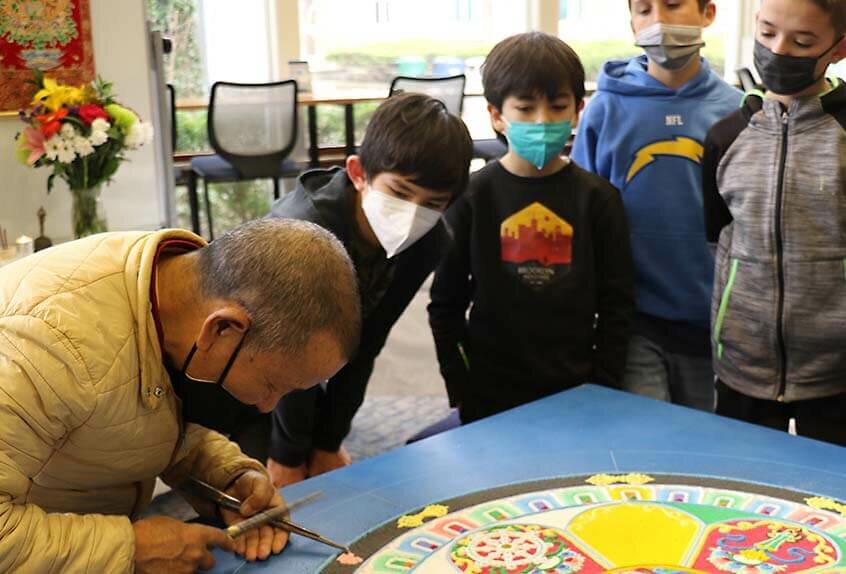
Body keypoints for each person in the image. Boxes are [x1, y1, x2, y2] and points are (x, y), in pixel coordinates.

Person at [0, 218, 360, 573]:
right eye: (272, 384)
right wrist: (130, 549)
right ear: (222, 328)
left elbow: (134, 413)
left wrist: (227, 479)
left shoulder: (178, 292)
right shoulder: (43, 346)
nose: (268, 405)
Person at [257, 92, 473, 487]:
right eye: (400, 193)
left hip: (306, 358)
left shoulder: (430, 241)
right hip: (249, 356)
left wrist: (327, 442)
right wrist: (287, 454)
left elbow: (366, 343)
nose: (412, 214)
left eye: (433, 203)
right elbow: (285, 351)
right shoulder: (302, 232)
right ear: (359, 173)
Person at [428, 31, 635, 424]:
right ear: (496, 115)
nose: (542, 122)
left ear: (578, 111)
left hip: (578, 389)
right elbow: (445, 304)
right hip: (490, 391)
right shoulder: (472, 196)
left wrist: (604, 385)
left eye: (558, 107)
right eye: (525, 108)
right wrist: (461, 386)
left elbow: (617, 307)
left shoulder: (599, 199)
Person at [571, 0, 742, 411]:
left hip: (711, 322)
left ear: (708, 13)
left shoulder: (736, 113)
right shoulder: (605, 109)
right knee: (645, 446)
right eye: (644, 10)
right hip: (634, 322)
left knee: (700, 451)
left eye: (673, 5)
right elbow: (582, 213)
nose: (658, 21)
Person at [702, 0, 846, 444]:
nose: (779, 50)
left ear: (839, 48)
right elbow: (717, 234)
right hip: (743, 363)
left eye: (802, 41)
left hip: (835, 370)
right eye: (767, 33)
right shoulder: (724, 136)